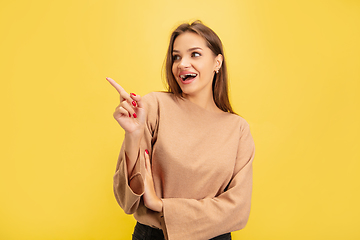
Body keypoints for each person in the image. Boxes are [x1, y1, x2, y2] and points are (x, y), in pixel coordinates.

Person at [107, 20, 255, 240]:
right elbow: (126, 200)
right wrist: (133, 136)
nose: (182, 64)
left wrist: (162, 205)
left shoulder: (238, 129)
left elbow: (238, 210)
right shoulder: (153, 107)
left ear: (217, 62)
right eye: (176, 57)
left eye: (194, 54)